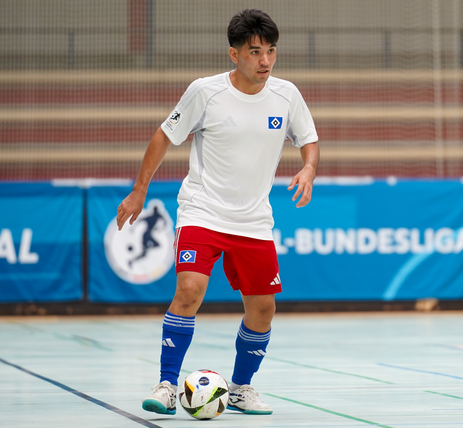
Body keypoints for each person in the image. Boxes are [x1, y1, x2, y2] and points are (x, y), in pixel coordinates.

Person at [116, 8, 319, 416]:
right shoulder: (205, 92)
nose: (265, 61)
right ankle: (167, 385)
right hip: (202, 212)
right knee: (189, 289)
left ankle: (242, 388)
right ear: (234, 54)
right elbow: (164, 135)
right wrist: (139, 191)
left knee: (263, 309)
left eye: (271, 52)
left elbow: (308, 138)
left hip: (254, 221)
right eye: (255, 52)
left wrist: (309, 168)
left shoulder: (286, 94)